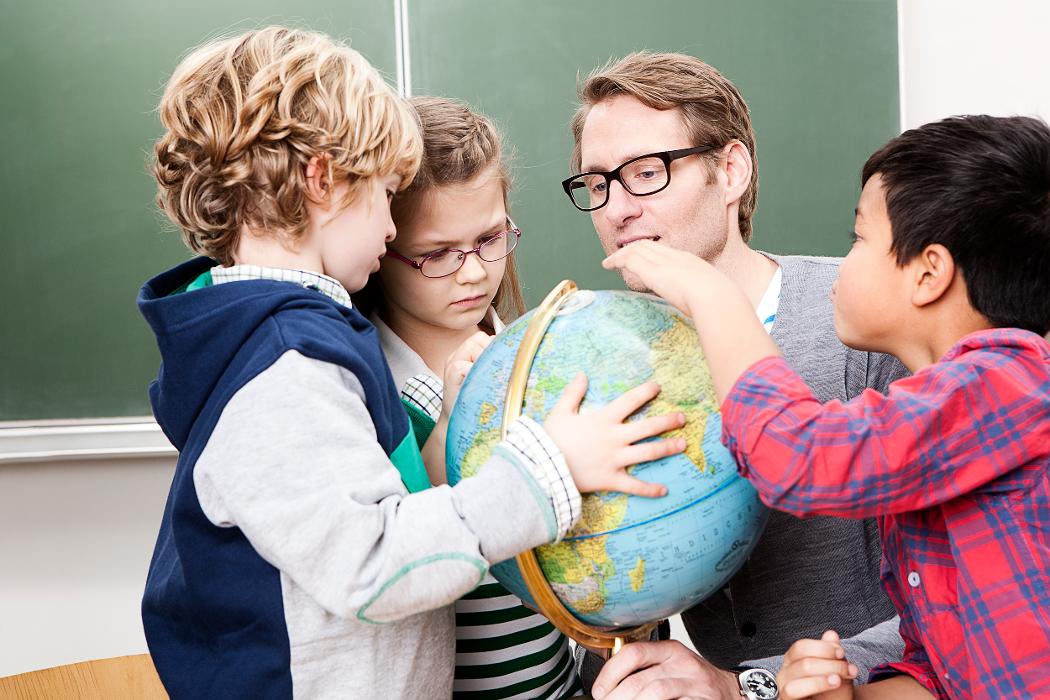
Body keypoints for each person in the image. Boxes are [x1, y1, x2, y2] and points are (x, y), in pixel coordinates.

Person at [136, 27, 685, 698]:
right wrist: (552, 470)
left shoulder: (288, 341)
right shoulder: (282, 363)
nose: (391, 225)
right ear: (322, 181)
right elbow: (370, 562)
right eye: (382, 193)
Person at [602, 113, 1050, 698]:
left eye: (858, 238)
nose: (844, 258)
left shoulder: (1008, 382)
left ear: (928, 274)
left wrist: (711, 295)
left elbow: (799, 455)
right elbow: (941, 675)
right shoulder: (941, 429)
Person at [563, 52, 907, 697]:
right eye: (597, 184)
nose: (616, 210)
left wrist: (748, 686)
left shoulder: (865, 323)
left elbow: (959, 604)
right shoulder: (616, 362)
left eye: (646, 173)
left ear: (731, 171)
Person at [357, 95, 582, 698]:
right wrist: (454, 417)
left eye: (490, 238)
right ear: (380, 245)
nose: (475, 272)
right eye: (436, 254)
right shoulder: (362, 389)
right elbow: (399, 549)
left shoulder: (538, 355)